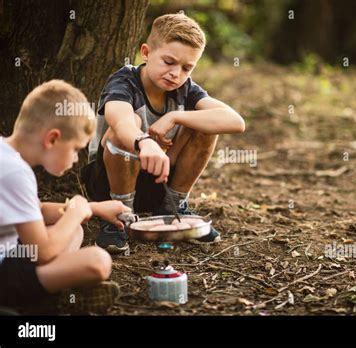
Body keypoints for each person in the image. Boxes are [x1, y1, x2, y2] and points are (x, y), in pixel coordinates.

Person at [82, 13, 245, 254]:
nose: (176, 74)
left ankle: (172, 206)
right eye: (169, 62)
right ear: (146, 52)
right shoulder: (125, 81)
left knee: (204, 124)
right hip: (109, 184)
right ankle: (120, 216)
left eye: (187, 68)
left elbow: (235, 121)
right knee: (128, 127)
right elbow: (121, 122)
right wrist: (144, 142)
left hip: (160, 180)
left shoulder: (185, 88)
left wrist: (175, 116)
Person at [0, 80, 130, 312]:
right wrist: (75, 210)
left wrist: (94, 208)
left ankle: (50, 290)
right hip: (4, 273)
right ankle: (33, 301)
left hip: (10, 253)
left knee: (75, 229)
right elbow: (44, 252)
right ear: (52, 139)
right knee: (97, 261)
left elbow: (36, 211)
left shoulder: (6, 156)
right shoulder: (16, 173)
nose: (76, 159)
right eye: (76, 149)